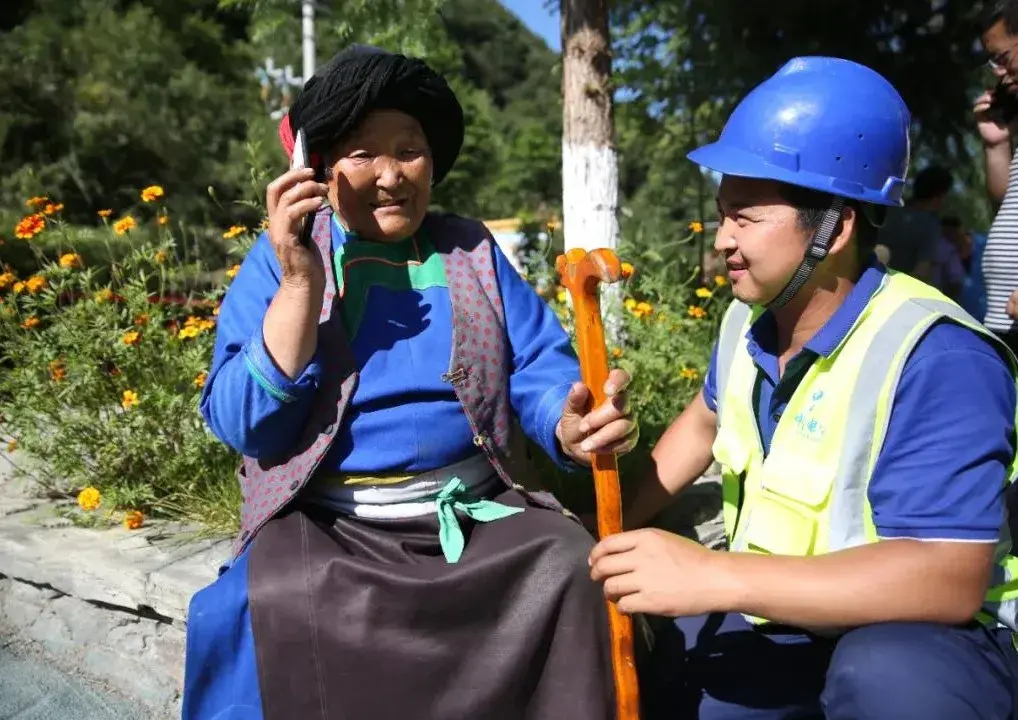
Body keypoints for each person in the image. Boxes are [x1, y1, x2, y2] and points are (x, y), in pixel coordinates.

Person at [181, 45, 639, 720]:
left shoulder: (470, 250)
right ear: (318, 169)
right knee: (258, 605)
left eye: (409, 149)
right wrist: (302, 283)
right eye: (363, 153)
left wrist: (569, 421)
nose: (392, 175)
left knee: (571, 563)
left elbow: (540, 368)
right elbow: (246, 423)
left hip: (473, 515)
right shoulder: (284, 261)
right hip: (331, 523)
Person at [589, 57, 1018, 719]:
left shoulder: (937, 354)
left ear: (836, 227)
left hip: (933, 642)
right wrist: (595, 532)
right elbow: (700, 430)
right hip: (787, 618)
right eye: (721, 214)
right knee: (673, 681)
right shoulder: (745, 323)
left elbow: (948, 578)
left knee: (887, 681)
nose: (723, 240)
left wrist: (712, 575)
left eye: (747, 218)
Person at [976, 1, 1018, 354]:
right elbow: (1005, 203)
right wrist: (997, 144)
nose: (999, 73)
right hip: (1004, 319)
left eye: (1002, 58)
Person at [874, 165, 952, 282]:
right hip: (897, 288)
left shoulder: (891, 209)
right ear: (939, 196)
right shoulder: (930, 225)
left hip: (868, 279)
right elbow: (922, 271)